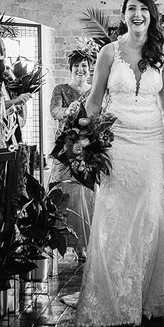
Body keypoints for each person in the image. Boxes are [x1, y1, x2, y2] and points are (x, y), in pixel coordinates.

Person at [75, 0, 164, 327]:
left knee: (150, 214)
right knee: (116, 215)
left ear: (151, 17)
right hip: (117, 143)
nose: (137, 14)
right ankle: (115, 294)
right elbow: (94, 102)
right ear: (123, 16)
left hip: (151, 142)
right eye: (131, 9)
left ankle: (149, 293)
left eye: (143, 10)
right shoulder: (108, 53)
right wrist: (78, 138)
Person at [48, 39, 98, 261]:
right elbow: (54, 111)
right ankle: (57, 241)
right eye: (77, 66)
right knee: (62, 192)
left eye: (85, 67)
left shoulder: (94, 90)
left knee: (86, 193)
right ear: (71, 69)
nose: (81, 70)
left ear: (89, 70)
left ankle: (84, 245)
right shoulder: (61, 89)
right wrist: (67, 111)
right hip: (64, 148)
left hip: (87, 148)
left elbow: (99, 113)